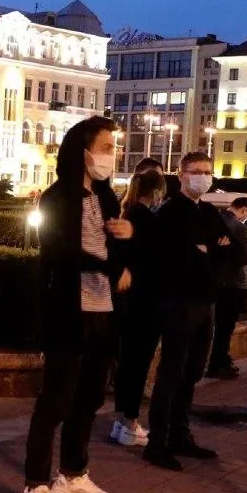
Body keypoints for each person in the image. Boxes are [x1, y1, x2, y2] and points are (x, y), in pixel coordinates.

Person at [18, 116, 132, 493]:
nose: (110, 155)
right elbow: (59, 254)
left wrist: (125, 241)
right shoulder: (56, 198)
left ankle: (73, 473)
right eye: (104, 146)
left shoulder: (107, 199)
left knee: (89, 397)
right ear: (82, 152)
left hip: (102, 310)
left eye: (112, 147)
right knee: (56, 399)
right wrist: (106, 265)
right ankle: (34, 485)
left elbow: (112, 253)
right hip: (67, 310)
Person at [142, 151, 226, 472]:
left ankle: (180, 433)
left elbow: (233, 252)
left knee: (193, 372)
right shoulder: (169, 212)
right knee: (172, 372)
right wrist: (205, 252)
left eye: (207, 171)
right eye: (195, 171)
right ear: (181, 174)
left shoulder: (209, 211)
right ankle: (157, 442)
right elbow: (171, 258)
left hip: (206, 302)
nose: (202, 176)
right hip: (177, 302)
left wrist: (206, 251)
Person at [111, 167, 166, 447]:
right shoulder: (147, 220)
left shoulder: (127, 212)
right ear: (156, 192)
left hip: (128, 300)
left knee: (127, 362)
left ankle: (121, 421)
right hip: (146, 300)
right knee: (139, 363)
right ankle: (130, 422)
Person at [207, 196, 247, 379]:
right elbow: (245, 256)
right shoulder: (238, 226)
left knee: (218, 324)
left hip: (217, 282)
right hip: (234, 283)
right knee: (226, 327)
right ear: (244, 210)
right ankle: (219, 363)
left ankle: (218, 361)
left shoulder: (215, 220)